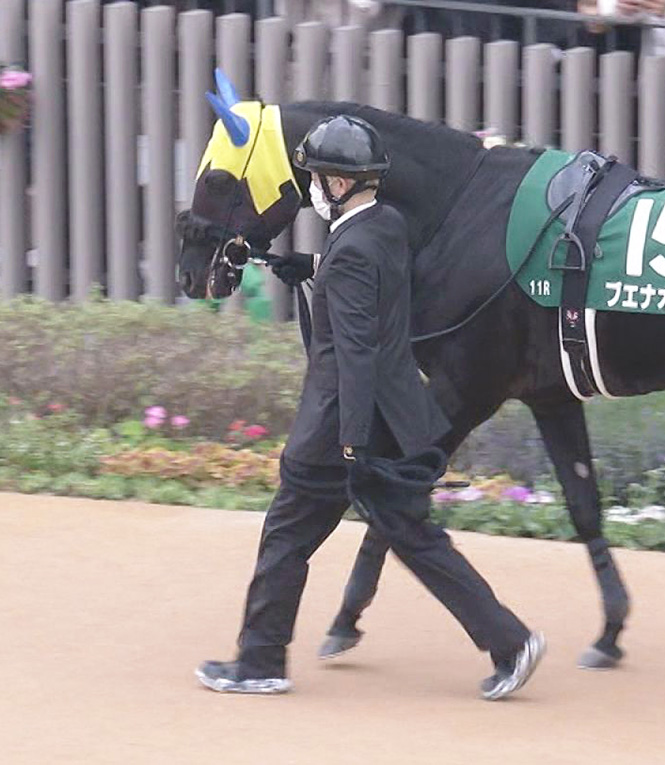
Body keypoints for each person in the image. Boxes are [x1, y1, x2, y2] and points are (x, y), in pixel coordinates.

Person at [196, 115, 545, 701]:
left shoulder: (354, 247)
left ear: (339, 184)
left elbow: (356, 352)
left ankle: (259, 661)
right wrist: (310, 267)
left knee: (286, 535)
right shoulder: (385, 224)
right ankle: (510, 642)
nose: (312, 187)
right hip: (393, 417)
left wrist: (349, 442)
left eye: (316, 178)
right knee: (412, 534)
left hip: (339, 426)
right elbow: (372, 278)